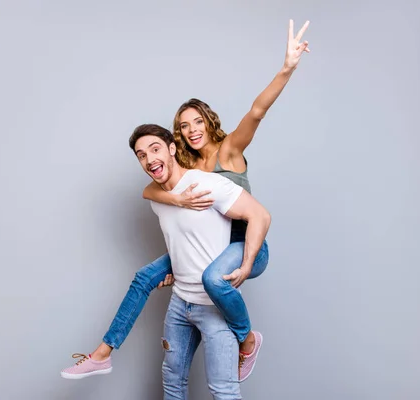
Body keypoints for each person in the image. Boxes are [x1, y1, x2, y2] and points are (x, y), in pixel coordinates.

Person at [60, 19, 310, 381]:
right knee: (145, 277)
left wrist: (286, 68)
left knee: (212, 278)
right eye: (184, 125)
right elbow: (149, 190)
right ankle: (102, 354)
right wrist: (178, 208)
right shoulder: (187, 166)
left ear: (209, 121)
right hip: (211, 246)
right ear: (178, 136)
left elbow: (257, 111)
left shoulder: (230, 150)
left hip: (243, 242)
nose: (192, 130)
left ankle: (247, 341)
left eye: (197, 122)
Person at [141, 124, 270, 398]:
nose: (150, 159)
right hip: (178, 306)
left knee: (223, 391)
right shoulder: (158, 198)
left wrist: (246, 264)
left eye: (155, 149)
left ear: (172, 149)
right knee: (172, 384)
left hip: (214, 307)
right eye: (142, 155)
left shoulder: (208, 184)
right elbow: (184, 240)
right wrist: (175, 269)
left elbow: (259, 215)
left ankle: (248, 340)